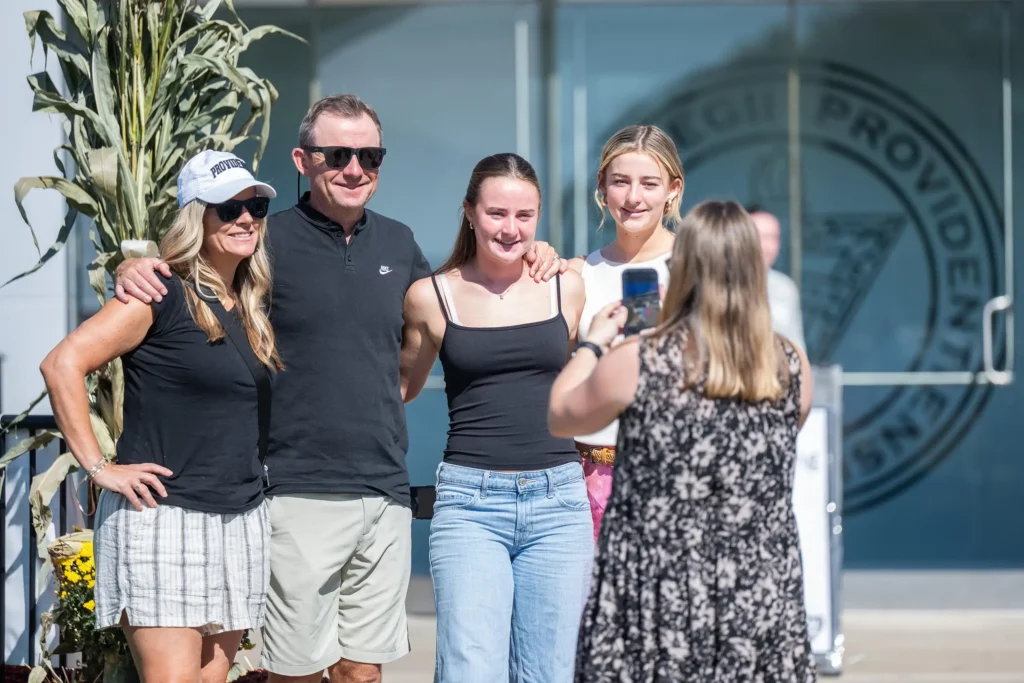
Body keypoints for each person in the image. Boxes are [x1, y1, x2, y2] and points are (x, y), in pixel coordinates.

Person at [112, 94, 566, 683]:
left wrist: (541, 252)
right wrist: (136, 267)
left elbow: (419, 354)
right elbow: (198, 275)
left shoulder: (400, 245)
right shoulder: (261, 241)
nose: (355, 168)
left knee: (362, 671)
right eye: (338, 154)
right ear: (303, 160)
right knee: (295, 671)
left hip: (383, 492)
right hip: (293, 489)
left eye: (370, 155)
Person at [550, 200, 816, 683]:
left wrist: (594, 343)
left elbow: (561, 415)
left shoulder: (641, 359)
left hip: (658, 586)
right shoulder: (791, 364)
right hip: (759, 586)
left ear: (683, 268)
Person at [40, 150, 280, 683]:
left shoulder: (250, 304)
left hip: (238, 518)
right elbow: (62, 364)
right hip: (165, 518)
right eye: (227, 208)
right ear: (197, 216)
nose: (245, 218)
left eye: (254, 208)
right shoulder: (160, 292)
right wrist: (99, 468)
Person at [400, 153, 592, 683]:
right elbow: (399, 389)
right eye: (496, 214)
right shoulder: (430, 296)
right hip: (469, 504)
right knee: (470, 670)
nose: (511, 229)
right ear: (469, 212)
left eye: (525, 216)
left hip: (558, 503)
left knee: (551, 673)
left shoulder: (567, 285)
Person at [568, 124, 684, 541]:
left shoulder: (701, 269)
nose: (634, 197)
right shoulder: (576, 274)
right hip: (586, 481)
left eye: (649, 183)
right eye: (620, 181)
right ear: (602, 186)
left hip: (677, 477)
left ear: (673, 189)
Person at [747, 204, 807, 352]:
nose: (768, 246)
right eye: (760, 237)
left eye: (773, 237)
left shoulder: (785, 287)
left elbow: (797, 346)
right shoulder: (719, 283)